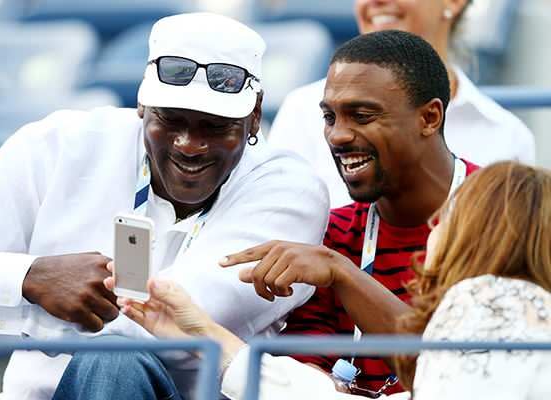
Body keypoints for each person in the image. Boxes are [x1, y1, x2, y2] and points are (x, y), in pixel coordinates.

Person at [0, 13, 329, 400]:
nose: (189, 143)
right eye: (170, 119)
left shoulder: (287, 188)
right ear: (141, 104)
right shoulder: (62, 143)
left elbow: (170, 327)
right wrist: (27, 277)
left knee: (114, 361)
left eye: (214, 125)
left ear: (253, 116)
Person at [113, 161, 551, 400]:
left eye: (452, 217)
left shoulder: (494, 301)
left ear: (478, 235)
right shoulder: (514, 314)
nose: (437, 227)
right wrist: (206, 335)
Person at [229, 29, 480, 395]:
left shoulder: (505, 214)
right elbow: (304, 365)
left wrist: (344, 275)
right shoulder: (336, 232)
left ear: (429, 118)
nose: (337, 136)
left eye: (361, 115)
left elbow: (471, 369)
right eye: (330, 117)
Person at [269, 0, 535, 208]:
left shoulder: (507, 135)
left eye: (361, 115)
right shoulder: (302, 110)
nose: (375, 1)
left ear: (454, 1)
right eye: (330, 118)